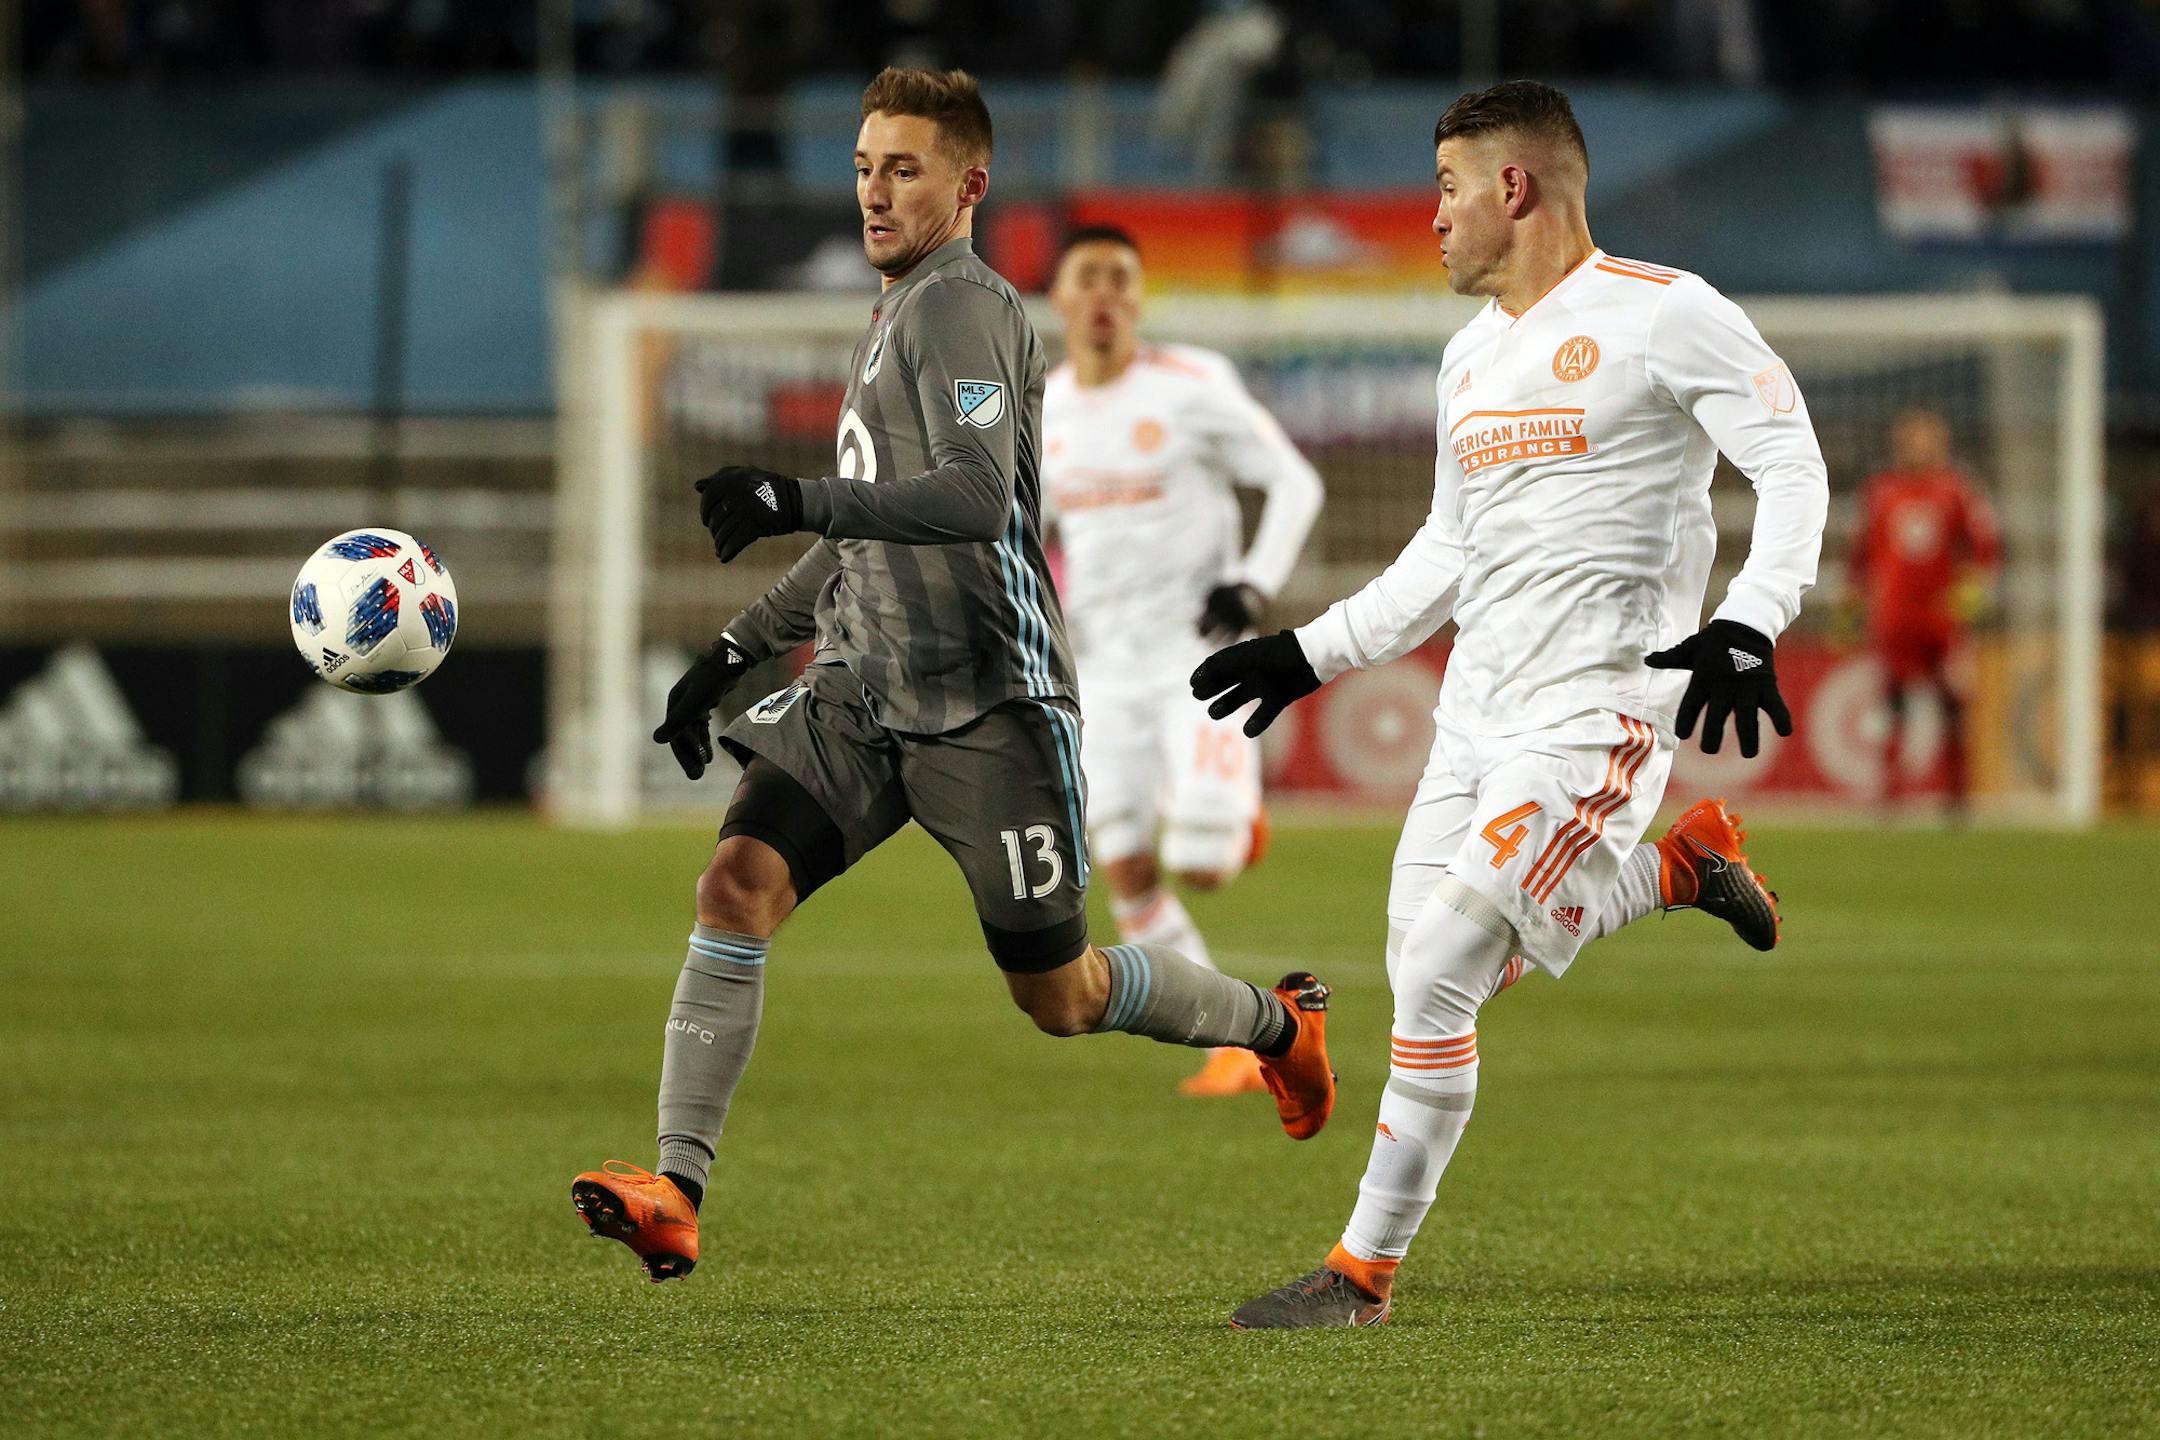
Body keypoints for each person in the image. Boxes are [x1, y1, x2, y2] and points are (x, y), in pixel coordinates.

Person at [568, 67, 1337, 1284]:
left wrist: (797, 492)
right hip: (863, 692)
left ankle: (1275, 1026)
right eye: (866, 165)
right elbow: (861, 534)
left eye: (904, 168)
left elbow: (975, 501)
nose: (874, 191)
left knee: (1063, 996)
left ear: (970, 185)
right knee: (735, 884)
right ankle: (676, 1186)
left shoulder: (963, 309)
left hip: (989, 705)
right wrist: (732, 650)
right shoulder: (893, 314)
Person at [1192, 79, 1826, 1327]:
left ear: (1514, 189)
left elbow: (1790, 458)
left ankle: (1360, 1274)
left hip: (1602, 711)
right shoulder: (1470, 355)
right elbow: (1446, 551)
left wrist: (1752, 621)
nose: (1430, 217)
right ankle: (1683, 872)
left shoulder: (1666, 314)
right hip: (1474, 718)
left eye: (1445, 188)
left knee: (1437, 967)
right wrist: (1309, 653)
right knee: (1432, 968)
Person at [1042, 223, 1325, 1098]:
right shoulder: (1042, 410)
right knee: (1121, 863)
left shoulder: (1194, 384)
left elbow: (1295, 482)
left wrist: (1252, 582)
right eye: (1086, 277)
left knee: (1201, 859)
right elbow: (1031, 537)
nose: (1104, 294)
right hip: (1103, 670)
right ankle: (1231, 1041)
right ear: (1058, 298)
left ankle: (1233, 820)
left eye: (1120, 278)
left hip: (1201, 658)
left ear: (1138, 298)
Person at [1845, 407, 2002, 814]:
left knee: (1953, 702)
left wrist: (1971, 589)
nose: (1918, 447)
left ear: (1941, 443)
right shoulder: (1881, 491)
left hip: (1940, 618)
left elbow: (1985, 548)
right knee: (1892, 703)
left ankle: (1958, 796)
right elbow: (1861, 552)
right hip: (1894, 617)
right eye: (1911, 438)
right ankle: (1889, 795)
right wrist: (1852, 600)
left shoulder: (1957, 490)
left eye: (1926, 438)